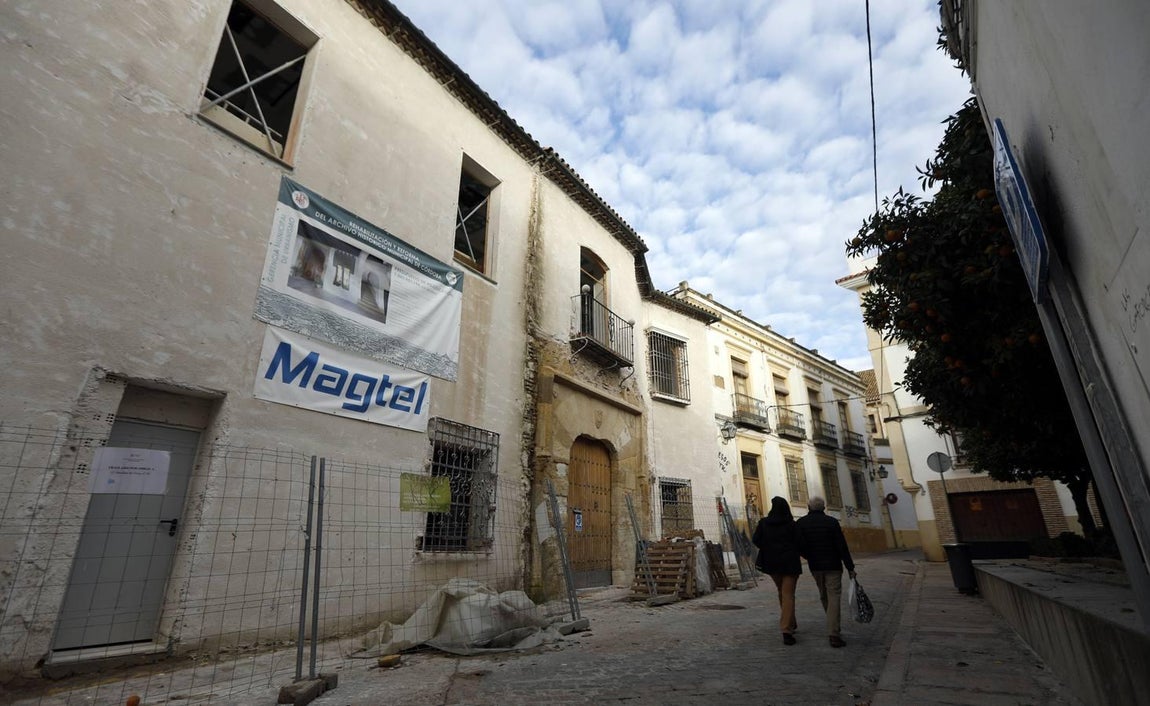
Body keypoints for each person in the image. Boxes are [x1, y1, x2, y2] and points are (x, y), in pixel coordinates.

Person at [795, 496, 856, 648]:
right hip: (834, 564)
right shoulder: (832, 522)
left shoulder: (801, 523)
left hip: (815, 565)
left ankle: (833, 628)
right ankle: (834, 631)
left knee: (824, 595)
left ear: (809, 507)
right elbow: (842, 546)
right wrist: (850, 567)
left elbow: (799, 544)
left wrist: (808, 556)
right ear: (823, 508)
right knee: (833, 595)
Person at [752, 496, 802, 645]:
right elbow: (799, 542)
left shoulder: (764, 523)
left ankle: (790, 623)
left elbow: (756, 540)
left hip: (772, 563)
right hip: (790, 563)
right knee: (788, 594)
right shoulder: (791, 524)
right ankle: (786, 628)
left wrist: (768, 547)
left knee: (782, 592)